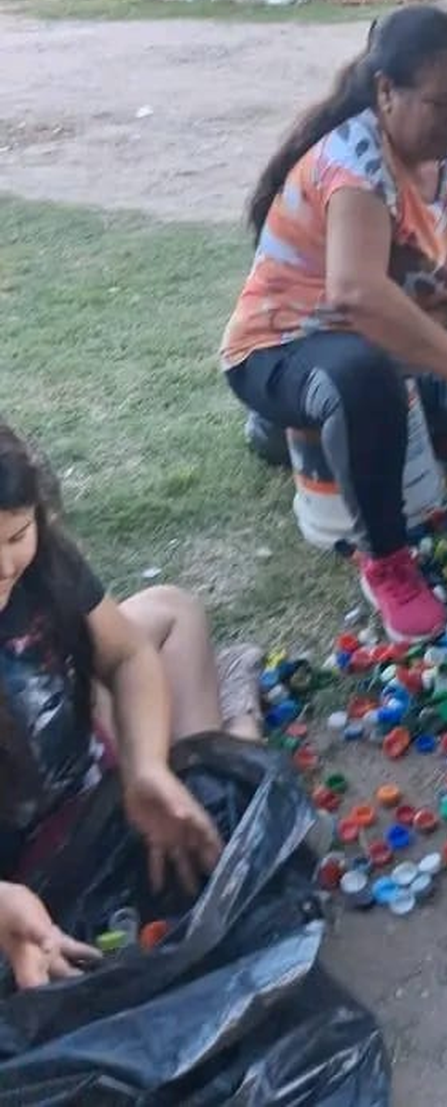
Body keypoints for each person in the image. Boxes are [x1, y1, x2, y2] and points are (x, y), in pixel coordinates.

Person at [221, 7, 447, 642]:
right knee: (359, 377)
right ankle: (387, 561)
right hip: (285, 348)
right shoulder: (355, 164)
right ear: (386, 92)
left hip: (389, 315)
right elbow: (355, 293)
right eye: (442, 104)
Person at [0, 423, 261, 992]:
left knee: (172, 612)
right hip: (27, 874)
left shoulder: (39, 565)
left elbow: (124, 654)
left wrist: (146, 767)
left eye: (16, 535)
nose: (3, 566)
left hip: (80, 768)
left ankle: (211, 747)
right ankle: (239, 728)